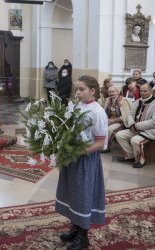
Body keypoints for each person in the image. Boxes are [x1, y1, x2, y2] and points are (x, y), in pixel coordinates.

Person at [55, 75, 107, 250]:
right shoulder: (78, 106)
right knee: (73, 192)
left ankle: (83, 236)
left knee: (83, 194)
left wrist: (78, 151)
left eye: (81, 89)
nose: (77, 93)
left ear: (92, 90)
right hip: (72, 157)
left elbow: (100, 143)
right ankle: (76, 227)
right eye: (76, 89)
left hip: (85, 160)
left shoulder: (97, 112)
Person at [116, 82, 155, 168]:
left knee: (135, 140)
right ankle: (130, 155)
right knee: (119, 135)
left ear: (151, 91)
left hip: (149, 131)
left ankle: (141, 160)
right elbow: (130, 114)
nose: (143, 93)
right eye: (141, 91)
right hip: (135, 128)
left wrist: (136, 126)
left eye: (145, 91)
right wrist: (131, 124)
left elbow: (153, 122)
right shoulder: (138, 101)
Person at [101, 86, 131, 153]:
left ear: (117, 92)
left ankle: (106, 148)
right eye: (110, 92)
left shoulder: (124, 101)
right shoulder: (107, 100)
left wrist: (112, 121)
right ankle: (99, 144)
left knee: (109, 129)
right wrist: (106, 120)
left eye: (113, 91)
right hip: (109, 120)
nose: (111, 93)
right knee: (99, 126)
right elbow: (103, 112)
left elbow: (126, 116)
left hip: (121, 122)